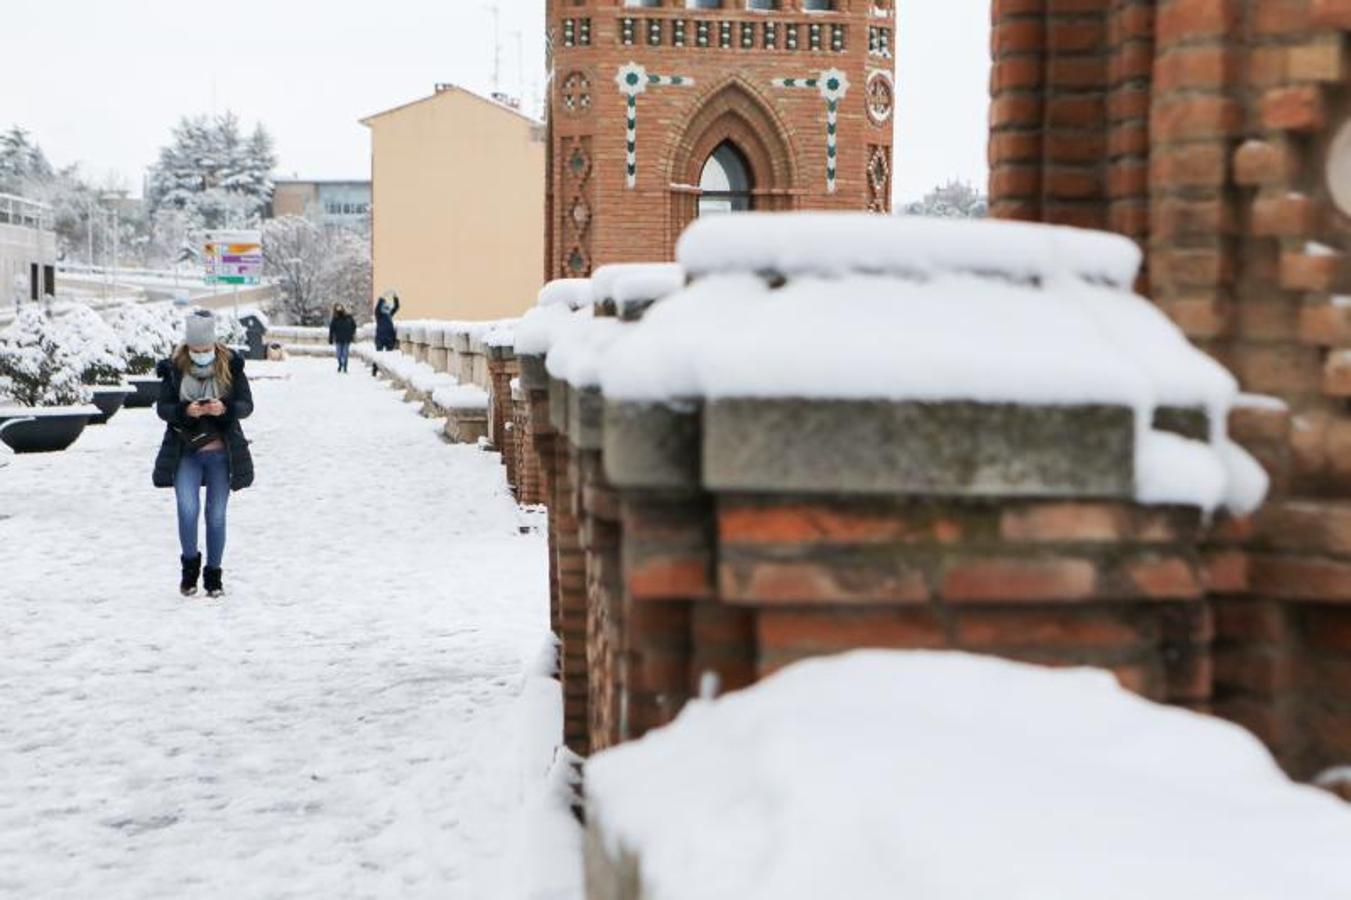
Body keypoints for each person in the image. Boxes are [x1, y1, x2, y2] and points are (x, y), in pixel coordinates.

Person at [152, 310, 255, 598]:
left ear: (214, 345)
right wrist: (185, 411)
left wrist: (225, 408)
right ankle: (189, 569)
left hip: (222, 454)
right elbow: (163, 408)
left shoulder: (230, 366)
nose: (201, 355)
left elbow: (247, 405)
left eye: (205, 350)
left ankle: (213, 576)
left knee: (217, 516)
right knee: (187, 511)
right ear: (187, 347)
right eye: (195, 350)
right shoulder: (174, 368)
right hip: (187, 452)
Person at [372, 290, 400, 375]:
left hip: (390, 337)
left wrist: (395, 297)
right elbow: (377, 307)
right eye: (385, 307)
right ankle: (375, 369)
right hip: (380, 337)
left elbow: (396, 307)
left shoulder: (389, 314)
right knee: (378, 355)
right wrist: (382, 298)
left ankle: (387, 371)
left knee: (389, 356)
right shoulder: (379, 315)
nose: (387, 309)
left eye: (387, 308)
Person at [328, 303, 357, 373]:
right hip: (338, 339)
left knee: (345, 353)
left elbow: (354, 326)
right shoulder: (335, 319)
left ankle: (345, 366)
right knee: (338, 354)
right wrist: (330, 338)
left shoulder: (348, 317)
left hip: (347, 338)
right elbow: (331, 329)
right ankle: (340, 364)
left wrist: (351, 333)